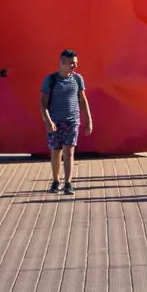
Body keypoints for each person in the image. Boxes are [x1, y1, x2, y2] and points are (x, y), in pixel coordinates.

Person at [39, 50, 93, 195]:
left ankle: (68, 183)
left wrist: (89, 120)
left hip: (72, 121)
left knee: (69, 151)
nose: (74, 66)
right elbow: (43, 103)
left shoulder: (77, 79)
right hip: (55, 122)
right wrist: (48, 121)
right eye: (71, 63)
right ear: (62, 62)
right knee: (56, 151)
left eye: (76, 63)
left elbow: (82, 99)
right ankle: (56, 181)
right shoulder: (50, 80)